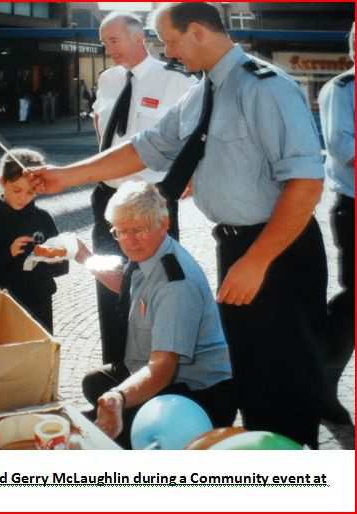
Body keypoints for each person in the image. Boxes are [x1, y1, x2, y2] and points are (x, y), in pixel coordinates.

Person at [27, 2, 328, 448]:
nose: (167, 52)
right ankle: (263, 462)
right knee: (252, 374)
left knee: (287, 379)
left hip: (277, 250)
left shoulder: (266, 88)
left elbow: (305, 184)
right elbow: (145, 148)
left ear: (198, 33)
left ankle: (294, 473)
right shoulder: (203, 91)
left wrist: (258, 260)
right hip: (236, 246)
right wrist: (65, 176)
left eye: (169, 41)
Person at [76, 181, 235, 449]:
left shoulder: (175, 285)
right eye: (121, 231)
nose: (128, 240)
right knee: (94, 384)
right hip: (159, 373)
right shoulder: (151, 252)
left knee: (104, 438)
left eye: (137, 230)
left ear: (164, 223)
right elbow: (125, 285)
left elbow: (162, 370)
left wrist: (120, 397)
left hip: (194, 393)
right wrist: (81, 255)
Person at [91, 11, 197, 366]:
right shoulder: (107, 80)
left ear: (139, 38)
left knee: (160, 285)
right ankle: (115, 367)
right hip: (107, 197)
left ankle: (161, 366)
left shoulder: (176, 81)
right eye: (104, 42)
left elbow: (196, 133)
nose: (108, 49)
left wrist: (189, 174)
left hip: (152, 198)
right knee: (108, 279)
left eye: (114, 41)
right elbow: (99, 121)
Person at [0, 149, 68, 334]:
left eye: (31, 192)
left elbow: (61, 267)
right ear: (3, 182)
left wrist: (56, 258)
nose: (23, 198)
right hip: (3, 303)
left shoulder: (42, 218)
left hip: (39, 301)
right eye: (17, 190)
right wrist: (7, 252)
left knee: (40, 353)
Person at [317, 22, 355, 425]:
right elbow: (344, 147)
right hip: (354, 207)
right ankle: (323, 383)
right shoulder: (341, 90)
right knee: (354, 300)